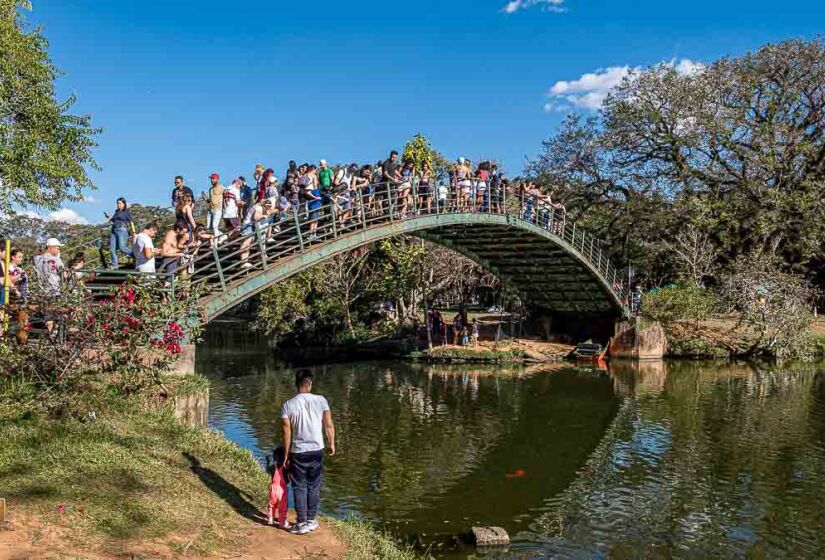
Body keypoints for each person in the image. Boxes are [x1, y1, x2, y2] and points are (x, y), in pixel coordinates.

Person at [281, 369, 335, 536]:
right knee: (314, 484)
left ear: (296, 384)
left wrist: (285, 455)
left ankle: (302, 522)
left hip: (298, 451)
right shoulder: (321, 401)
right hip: (317, 449)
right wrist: (332, 443)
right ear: (310, 384)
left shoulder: (288, 405)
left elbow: (286, 432)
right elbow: (328, 425)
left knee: (299, 486)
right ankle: (311, 520)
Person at [104, 197, 135, 268]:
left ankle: (135, 255)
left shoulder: (126, 212)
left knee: (122, 248)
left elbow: (131, 222)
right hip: (113, 231)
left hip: (122, 230)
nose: (118, 205)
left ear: (124, 204)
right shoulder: (116, 212)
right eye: (117, 203)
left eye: (120, 203)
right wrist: (108, 217)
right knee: (112, 249)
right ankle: (114, 264)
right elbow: (112, 220)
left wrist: (134, 232)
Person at [267, 446, 290, 529]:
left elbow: (267, 470)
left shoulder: (273, 467)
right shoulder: (285, 469)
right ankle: (282, 522)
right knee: (283, 507)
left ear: (274, 457)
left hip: (272, 488)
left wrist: (267, 462)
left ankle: (270, 518)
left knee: (271, 504)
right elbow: (288, 480)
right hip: (282, 490)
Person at [207, 173, 225, 238]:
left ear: (217, 179)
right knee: (209, 228)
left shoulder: (222, 188)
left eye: (213, 179)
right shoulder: (210, 189)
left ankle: (215, 245)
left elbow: (226, 198)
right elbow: (211, 200)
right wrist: (207, 200)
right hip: (210, 210)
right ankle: (224, 236)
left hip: (218, 209)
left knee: (215, 226)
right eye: (211, 179)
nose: (212, 180)